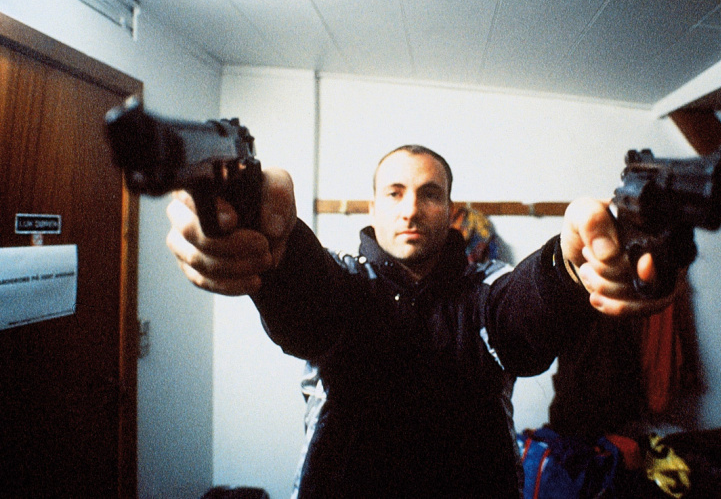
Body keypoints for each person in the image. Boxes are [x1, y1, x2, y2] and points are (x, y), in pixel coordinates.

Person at [166, 145, 671, 498]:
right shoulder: (343, 281)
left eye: (430, 193)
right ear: (372, 207)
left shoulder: (487, 287)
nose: (411, 209)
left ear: (450, 210)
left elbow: (520, 318)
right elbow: (309, 308)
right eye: (395, 193)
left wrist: (570, 269)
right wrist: (267, 237)